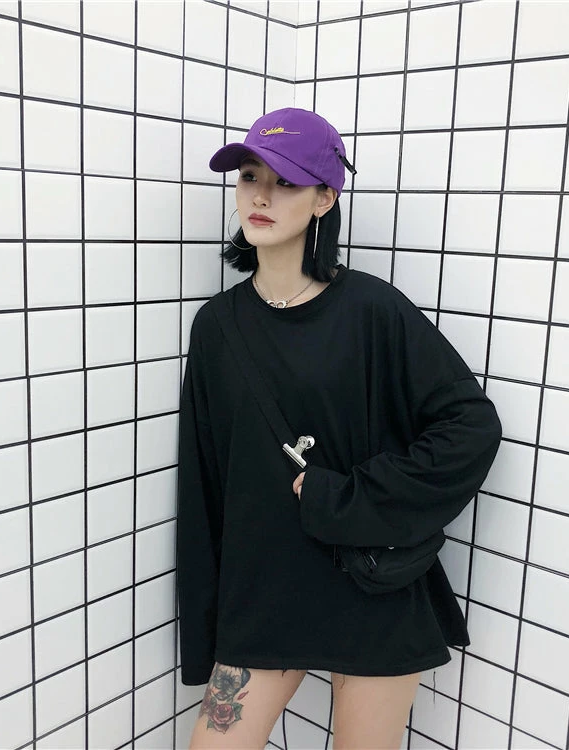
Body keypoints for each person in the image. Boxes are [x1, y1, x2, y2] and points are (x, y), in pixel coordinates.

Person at [176, 107, 502, 750]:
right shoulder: (217, 326)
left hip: (370, 583)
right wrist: (207, 627)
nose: (260, 196)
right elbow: (205, 482)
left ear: (325, 198)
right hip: (262, 593)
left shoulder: (372, 310)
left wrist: (348, 496)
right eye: (249, 176)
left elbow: (470, 427)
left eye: (286, 182)